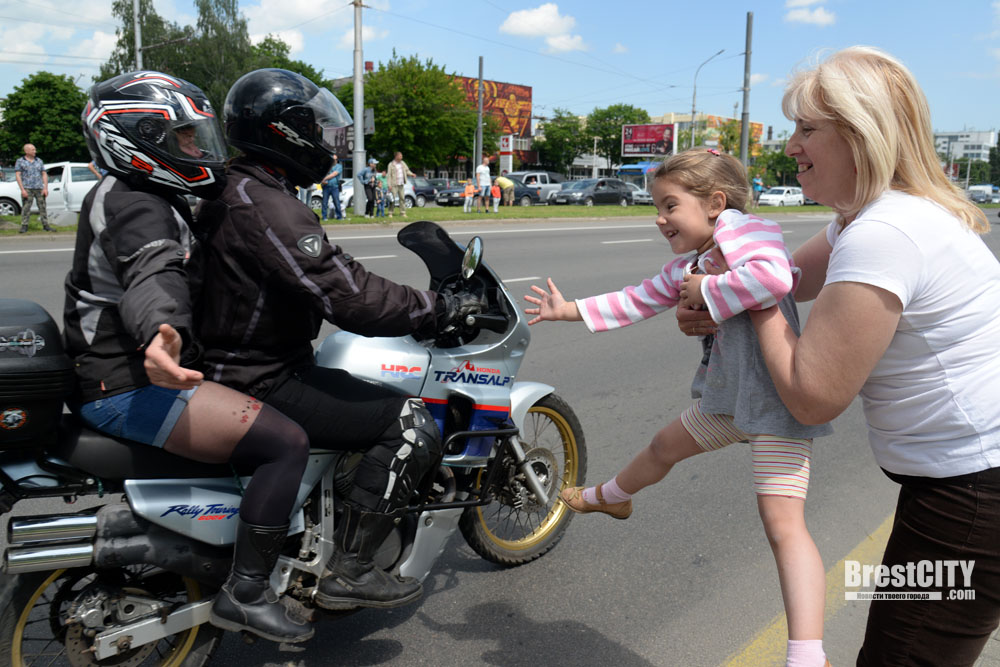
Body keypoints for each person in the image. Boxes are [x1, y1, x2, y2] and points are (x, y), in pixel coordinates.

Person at [727, 47, 1000, 666]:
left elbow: (812, 392)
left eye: (807, 128)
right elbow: (789, 277)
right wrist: (716, 287)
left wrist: (751, 301)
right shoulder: (872, 217)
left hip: (973, 497)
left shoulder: (886, 232)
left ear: (862, 134)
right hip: (963, 486)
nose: (790, 145)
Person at [525, 147, 833, 667]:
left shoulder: (743, 229)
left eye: (670, 205)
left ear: (716, 203)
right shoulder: (693, 263)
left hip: (776, 403)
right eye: (658, 207)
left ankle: (807, 656)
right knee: (663, 445)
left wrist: (707, 288)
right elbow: (636, 298)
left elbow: (776, 278)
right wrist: (567, 311)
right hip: (727, 402)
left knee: (783, 524)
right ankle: (610, 496)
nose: (659, 217)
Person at [192, 68, 483, 612]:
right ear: (287, 133)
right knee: (409, 422)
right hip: (260, 375)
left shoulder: (236, 186)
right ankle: (350, 569)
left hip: (225, 363)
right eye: (317, 128)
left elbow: (331, 274)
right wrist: (433, 308)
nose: (327, 141)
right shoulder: (268, 205)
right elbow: (348, 297)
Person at [66, 71, 314, 645]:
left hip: (126, 372)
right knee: (286, 442)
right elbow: (152, 273)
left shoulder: (153, 195)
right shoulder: (134, 204)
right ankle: (247, 593)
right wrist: (164, 332)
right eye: (183, 138)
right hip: (125, 384)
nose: (198, 149)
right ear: (136, 136)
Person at [14, 143, 51, 233]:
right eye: (33, 150)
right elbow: (18, 175)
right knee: (26, 207)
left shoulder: (39, 161)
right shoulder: (20, 161)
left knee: (42, 207)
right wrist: (22, 189)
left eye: (35, 149)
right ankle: (24, 226)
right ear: (26, 151)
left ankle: (46, 225)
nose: (35, 151)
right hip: (27, 188)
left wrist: (45, 187)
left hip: (39, 187)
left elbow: (44, 174)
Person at [386, 151, 415, 218]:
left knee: (402, 198)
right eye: (400, 156)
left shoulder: (402, 163)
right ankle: (390, 212)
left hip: (401, 184)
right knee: (392, 199)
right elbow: (389, 176)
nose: (401, 157)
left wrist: (412, 174)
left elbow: (407, 170)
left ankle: (403, 213)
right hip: (394, 184)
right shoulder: (391, 164)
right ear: (396, 156)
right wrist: (389, 185)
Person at [319, 154, 343, 221]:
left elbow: (334, 174)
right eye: (334, 159)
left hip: (335, 187)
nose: (335, 161)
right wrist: (322, 180)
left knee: (336, 202)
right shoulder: (326, 166)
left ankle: (339, 216)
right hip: (326, 187)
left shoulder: (339, 166)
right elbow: (321, 173)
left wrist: (323, 179)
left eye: (336, 159)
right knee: (324, 202)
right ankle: (324, 217)